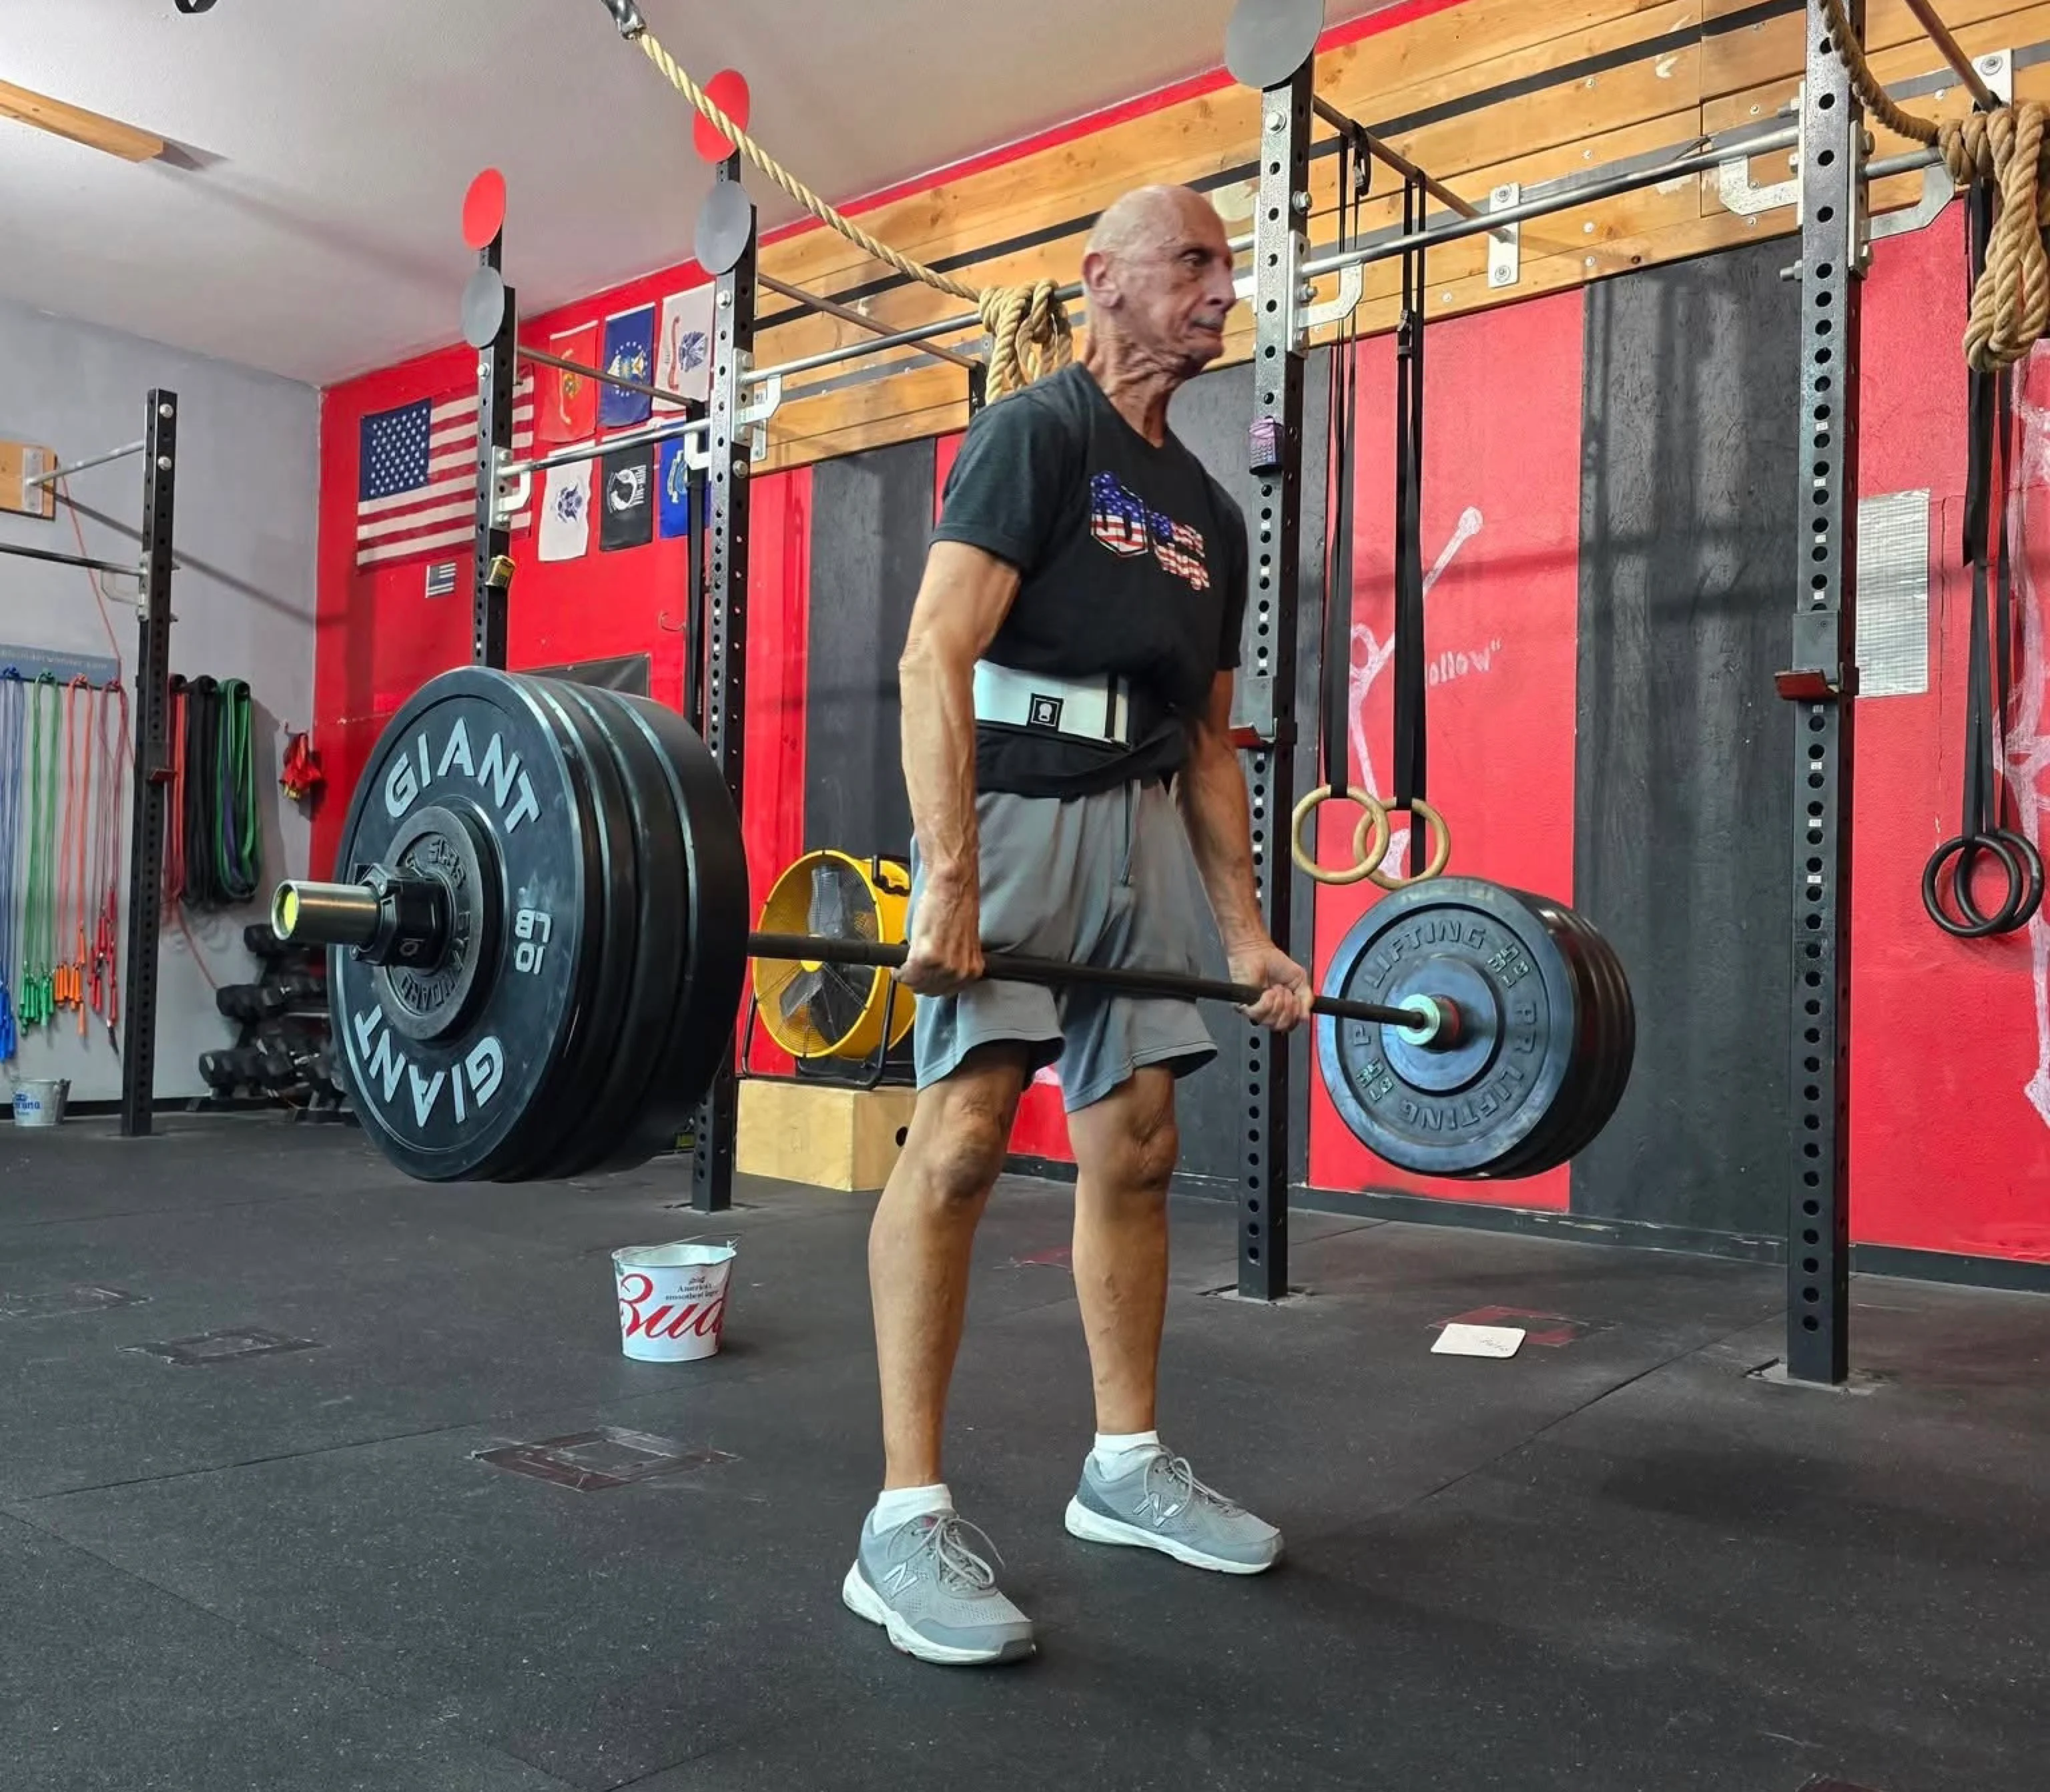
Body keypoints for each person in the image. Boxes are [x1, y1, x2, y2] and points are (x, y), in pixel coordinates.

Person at [839, 184, 1313, 1667]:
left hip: (1148, 823)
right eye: (1195, 265)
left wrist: (1245, 934)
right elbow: (935, 653)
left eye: (1228, 272)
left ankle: (1125, 1468)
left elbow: (1216, 743)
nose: (1222, 293)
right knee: (966, 1136)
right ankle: (902, 1519)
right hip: (1022, 803)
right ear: (1101, 279)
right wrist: (955, 879)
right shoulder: (1037, 433)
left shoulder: (1212, 514)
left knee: (1143, 1144)